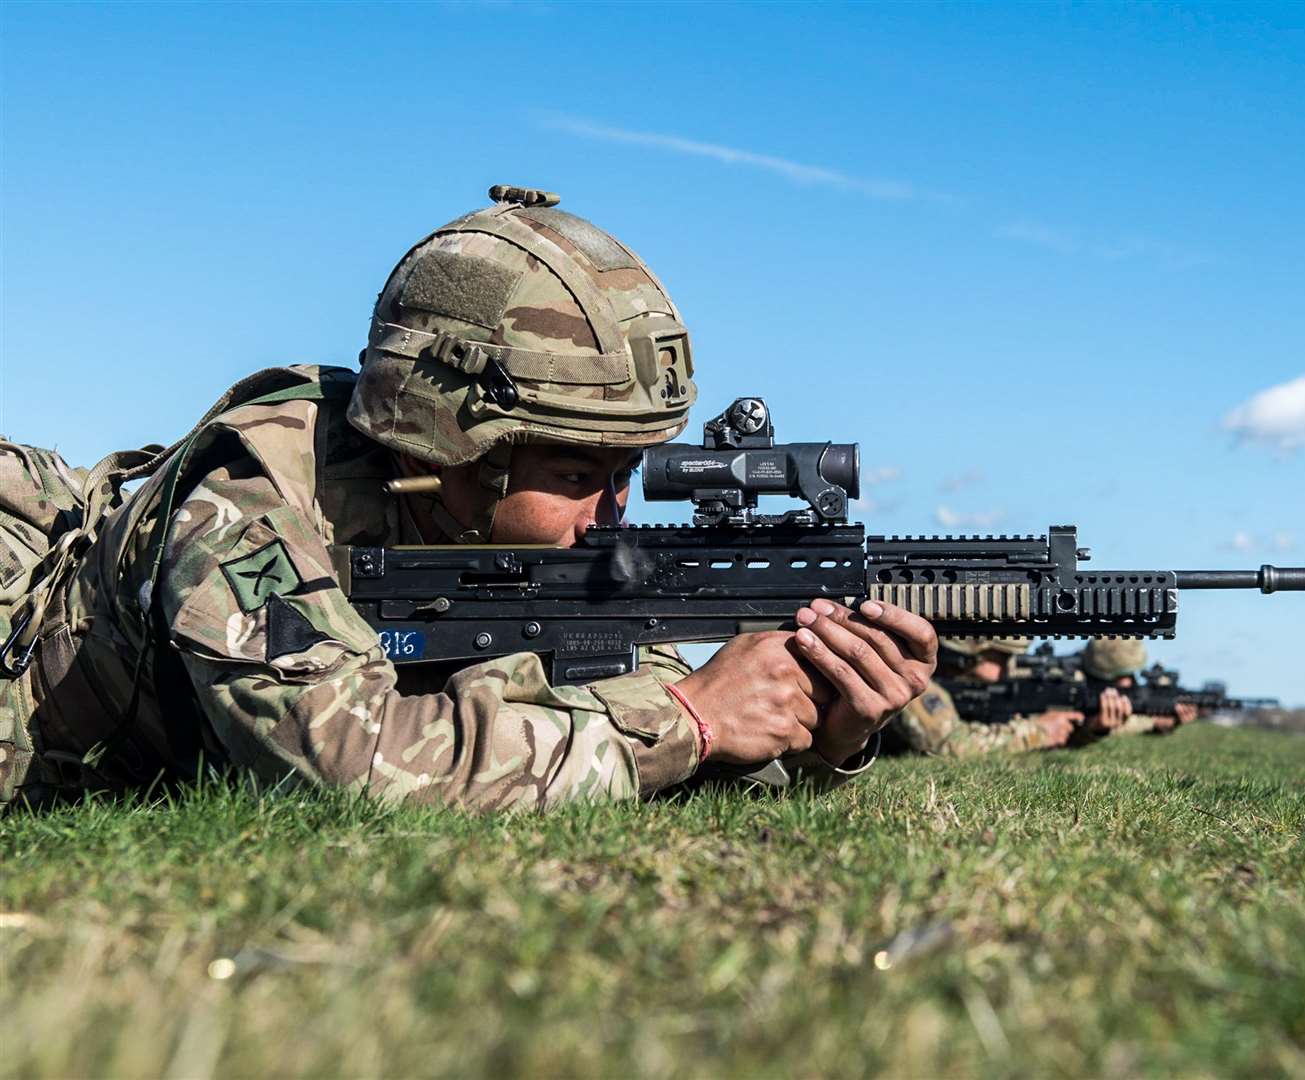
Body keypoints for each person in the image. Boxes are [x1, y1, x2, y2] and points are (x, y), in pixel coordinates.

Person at [0, 186, 937, 810]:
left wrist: (821, 733)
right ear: (450, 445)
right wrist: (688, 719)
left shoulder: (556, 558)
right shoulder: (251, 504)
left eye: (626, 472)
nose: (612, 512)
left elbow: (642, 753)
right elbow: (348, 772)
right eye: (577, 475)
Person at [887, 638, 1132, 757]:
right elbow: (950, 745)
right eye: (1002, 657)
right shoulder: (909, 673)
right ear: (972, 649)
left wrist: (1089, 729)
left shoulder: (976, 681)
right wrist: (1040, 731)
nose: (1010, 667)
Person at [1079, 640, 1197, 736]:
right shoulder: (1074, 683)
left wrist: (1161, 722)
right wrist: (1094, 725)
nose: (1126, 683)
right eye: (1117, 675)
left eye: (1130, 674)